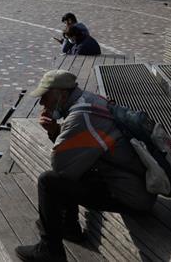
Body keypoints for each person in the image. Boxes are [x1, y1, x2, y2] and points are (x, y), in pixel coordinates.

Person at [15, 70, 155, 261]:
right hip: (137, 186)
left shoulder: (82, 116)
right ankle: (68, 227)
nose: (41, 103)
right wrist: (56, 130)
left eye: (45, 96)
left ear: (61, 94)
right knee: (77, 166)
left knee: (48, 181)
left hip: (131, 197)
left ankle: (50, 250)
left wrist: (54, 131)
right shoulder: (90, 101)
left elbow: (60, 167)